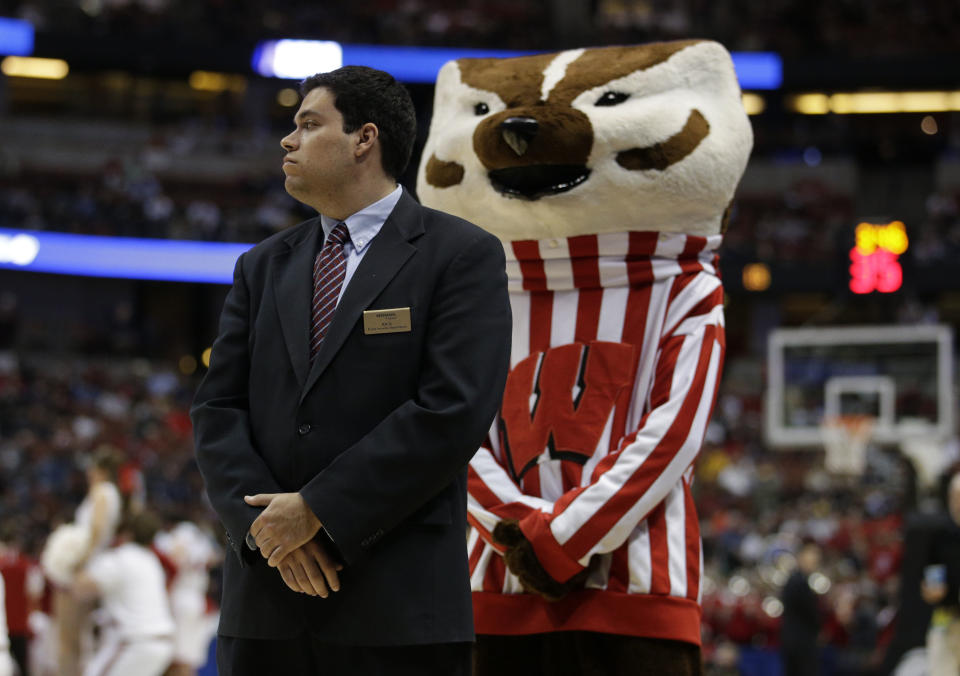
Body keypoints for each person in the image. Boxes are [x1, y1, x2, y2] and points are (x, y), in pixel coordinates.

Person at [190, 65, 512, 675]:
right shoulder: (261, 265)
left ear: (365, 139)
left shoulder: (462, 254)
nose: (288, 140)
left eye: (309, 125)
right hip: (265, 603)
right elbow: (217, 408)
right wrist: (268, 532)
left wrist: (318, 507)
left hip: (396, 604)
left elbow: (454, 409)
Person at [70, 510, 175, 676]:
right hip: (163, 642)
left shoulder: (119, 558)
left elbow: (80, 589)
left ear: (127, 533)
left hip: (135, 644)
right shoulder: (151, 560)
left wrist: (75, 559)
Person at [920, 471, 960, 675]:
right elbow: (928, 579)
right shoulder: (940, 535)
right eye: (956, 497)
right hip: (947, 618)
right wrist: (930, 590)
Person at [780, 539, 823, 676]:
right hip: (801, 642)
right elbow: (810, 612)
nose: (815, 560)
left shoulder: (795, 580)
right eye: (812, 556)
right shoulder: (799, 582)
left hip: (793, 639)